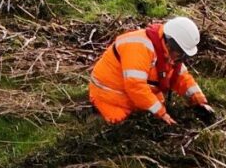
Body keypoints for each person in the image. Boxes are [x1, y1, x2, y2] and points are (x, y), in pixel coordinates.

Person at [86, 15, 216, 127]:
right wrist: (161, 113)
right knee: (123, 126)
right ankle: (93, 114)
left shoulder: (167, 52)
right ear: (171, 44)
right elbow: (135, 86)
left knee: (150, 114)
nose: (181, 58)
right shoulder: (139, 47)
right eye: (181, 53)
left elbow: (181, 77)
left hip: (134, 93)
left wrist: (199, 101)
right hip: (111, 95)